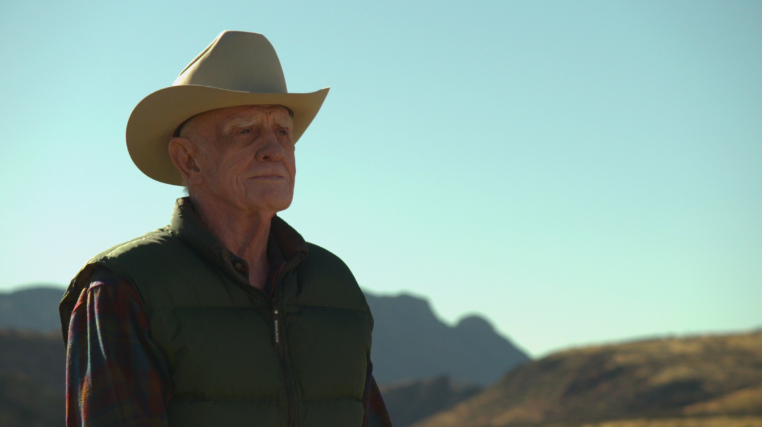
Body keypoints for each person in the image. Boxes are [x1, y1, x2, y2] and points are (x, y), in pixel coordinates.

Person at [59, 30, 393, 427]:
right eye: (245, 130)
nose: (274, 150)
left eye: (283, 132)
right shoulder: (124, 288)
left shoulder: (335, 286)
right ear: (189, 160)